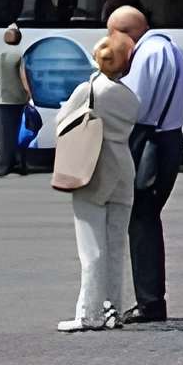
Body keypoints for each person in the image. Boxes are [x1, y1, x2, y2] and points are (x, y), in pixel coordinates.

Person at [54, 31, 143, 332]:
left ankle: (89, 313)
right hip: (123, 169)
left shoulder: (89, 89)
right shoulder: (130, 97)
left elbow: (62, 122)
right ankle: (112, 308)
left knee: (91, 246)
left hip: (93, 167)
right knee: (116, 246)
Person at [110, 2, 183, 325]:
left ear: (125, 33)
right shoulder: (170, 47)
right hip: (168, 137)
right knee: (146, 217)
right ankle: (151, 300)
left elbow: (134, 105)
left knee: (142, 220)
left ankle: (150, 302)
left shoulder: (148, 53)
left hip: (150, 141)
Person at [0, 25, 31, 180]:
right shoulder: (20, 57)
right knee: (19, 134)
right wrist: (29, 95)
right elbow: (24, 79)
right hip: (18, 101)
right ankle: (19, 164)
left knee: (3, 136)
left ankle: (3, 167)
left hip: (0, 101)